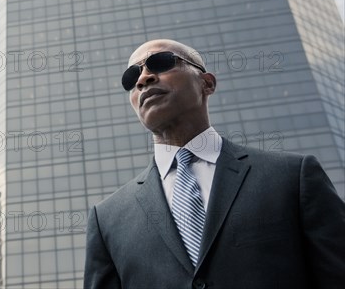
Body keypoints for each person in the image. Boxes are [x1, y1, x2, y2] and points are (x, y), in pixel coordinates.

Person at [83, 39, 345, 289]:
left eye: (161, 62)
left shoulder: (292, 178)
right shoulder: (107, 219)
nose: (142, 79)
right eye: (132, 77)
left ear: (206, 83)